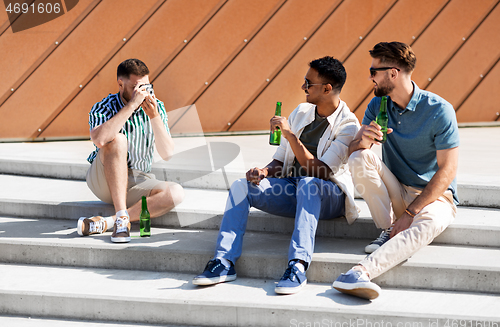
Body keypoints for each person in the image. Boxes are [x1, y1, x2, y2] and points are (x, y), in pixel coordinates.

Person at [192, 56, 360, 294]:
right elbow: (280, 162)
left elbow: (320, 171)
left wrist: (291, 136)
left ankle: (298, 265)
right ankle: (224, 262)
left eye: (308, 83)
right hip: (293, 187)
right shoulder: (302, 111)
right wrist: (263, 172)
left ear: (327, 88)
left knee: (310, 184)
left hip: (328, 196)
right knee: (241, 186)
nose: (303, 87)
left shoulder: (348, 125)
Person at [333, 42, 459, 300]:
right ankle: (389, 229)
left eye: (373, 71)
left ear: (393, 73)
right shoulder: (378, 105)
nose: (370, 77)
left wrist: (412, 211)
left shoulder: (438, 110)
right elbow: (352, 153)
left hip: (435, 197)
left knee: (430, 222)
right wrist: (362, 141)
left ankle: (360, 272)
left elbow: (447, 170)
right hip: (397, 189)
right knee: (360, 157)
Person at [77, 59, 184, 243]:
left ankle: (110, 222)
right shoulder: (104, 107)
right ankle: (121, 216)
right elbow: (100, 139)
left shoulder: (157, 106)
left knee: (176, 192)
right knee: (117, 139)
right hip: (103, 177)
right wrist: (132, 105)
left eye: (147, 85)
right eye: (137, 86)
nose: (144, 91)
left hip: (139, 178)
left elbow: (167, 153)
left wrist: (155, 117)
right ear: (121, 84)